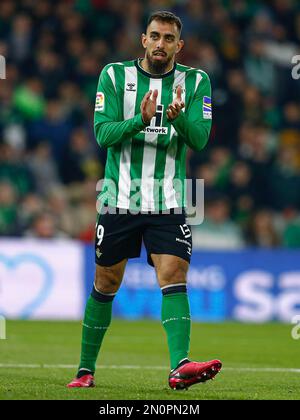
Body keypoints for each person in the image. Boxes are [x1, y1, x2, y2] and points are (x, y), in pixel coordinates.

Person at [67, 11, 222, 390]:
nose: (161, 43)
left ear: (179, 45)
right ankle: (85, 371)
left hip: (168, 199)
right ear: (143, 39)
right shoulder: (114, 76)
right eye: (155, 36)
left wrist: (178, 119)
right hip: (119, 197)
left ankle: (179, 366)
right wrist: (140, 119)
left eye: (169, 38)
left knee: (173, 275)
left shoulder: (196, 81)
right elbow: (103, 134)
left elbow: (199, 139)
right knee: (106, 282)